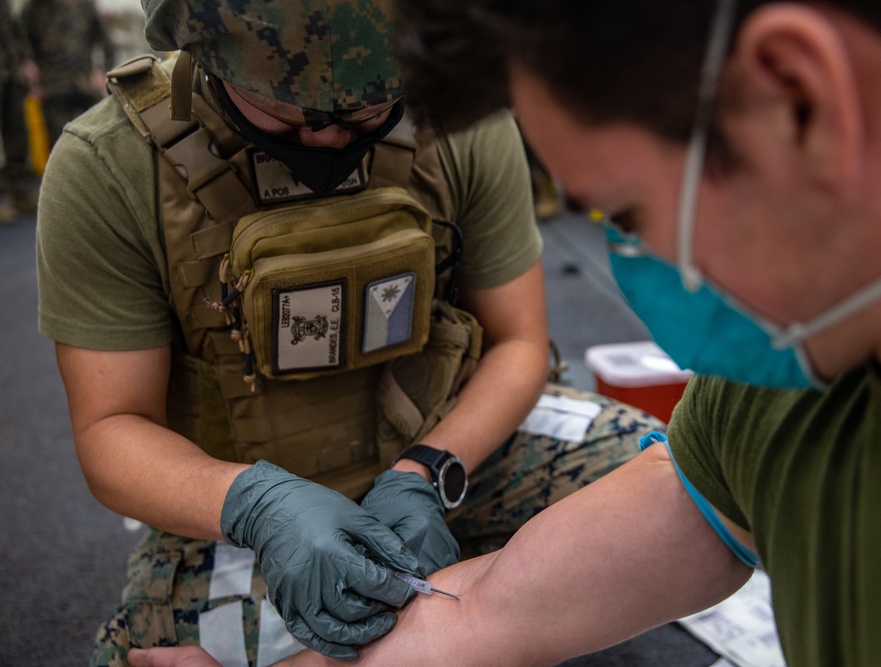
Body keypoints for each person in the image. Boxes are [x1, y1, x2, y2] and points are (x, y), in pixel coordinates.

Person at [127, 0, 881, 664]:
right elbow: (498, 608)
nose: (634, 260)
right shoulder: (780, 386)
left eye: (630, 210)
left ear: (798, 103)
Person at [34, 0, 659, 664]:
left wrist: (429, 468)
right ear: (205, 57)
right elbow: (112, 429)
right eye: (285, 115)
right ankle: (477, 595)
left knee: (675, 486)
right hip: (241, 503)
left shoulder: (458, 118)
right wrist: (257, 504)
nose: (330, 140)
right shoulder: (112, 165)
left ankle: (455, 599)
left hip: (451, 447)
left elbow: (520, 343)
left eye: (365, 113)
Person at [20, 0, 114, 147]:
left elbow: (105, 40)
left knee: (97, 138)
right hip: (52, 90)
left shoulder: (85, 5)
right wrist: (33, 84)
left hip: (84, 87)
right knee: (61, 145)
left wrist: (103, 72)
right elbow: (22, 46)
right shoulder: (35, 7)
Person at [0, 0, 39, 222]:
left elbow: (12, 26)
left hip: (11, 71)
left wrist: (26, 59)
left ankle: (20, 191)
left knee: (18, 133)